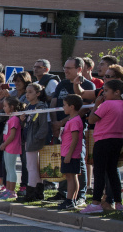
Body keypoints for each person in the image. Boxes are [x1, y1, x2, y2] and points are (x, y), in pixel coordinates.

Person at [49, 57, 94, 205]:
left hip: (75, 129)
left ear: (79, 69)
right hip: (60, 130)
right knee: (64, 166)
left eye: (69, 68)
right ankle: (63, 192)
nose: (65, 71)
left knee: (76, 165)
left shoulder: (88, 85)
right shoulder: (62, 83)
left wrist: (63, 122)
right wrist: (55, 123)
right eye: (64, 68)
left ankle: (79, 195)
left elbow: (85, 108)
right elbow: (54, 102)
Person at [81, 80, 123, 213]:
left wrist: (96, 105)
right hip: (118, 139)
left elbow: (92, 119)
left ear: (117, 92)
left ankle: (95, 203)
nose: (103, 93)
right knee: (112, 171)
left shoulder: (107, 104)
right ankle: (118, 202)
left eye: (105, 91)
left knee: (99, 171)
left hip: (103, 139)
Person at [21, 83, 49, 202]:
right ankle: (38, 192)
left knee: (31, 167)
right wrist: (22, 120)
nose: (27, 94)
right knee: (34, 167)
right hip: (28, 138)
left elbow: (43, 126)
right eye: (26, 92)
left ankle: (31, 192)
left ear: (38, 93)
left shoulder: (41, 107)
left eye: (30, 92)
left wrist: (37, 138)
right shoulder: (28, 107)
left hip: (34, 140)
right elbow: (27, 124)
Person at [56, 95, 84, 210]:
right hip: (67, 152)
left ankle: (70, 200)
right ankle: (71, 199)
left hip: (71, 154)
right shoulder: (72, 120)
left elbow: (75, 139)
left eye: (64, 105)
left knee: (71, 177)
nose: (63, 107)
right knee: (71, 176)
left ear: (71, 107)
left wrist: (69, 155)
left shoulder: (75, 121)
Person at [0, 97, 24, 200]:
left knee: (11, 169)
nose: (3, 108)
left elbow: (12, 135)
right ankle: (8, 190)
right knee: (8, 169)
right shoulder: (11, 118)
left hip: (11, 147)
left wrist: (4, 144)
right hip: (7, 147)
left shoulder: (14, 119)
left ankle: (12, 191)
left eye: (5, 106)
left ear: (12, 107)